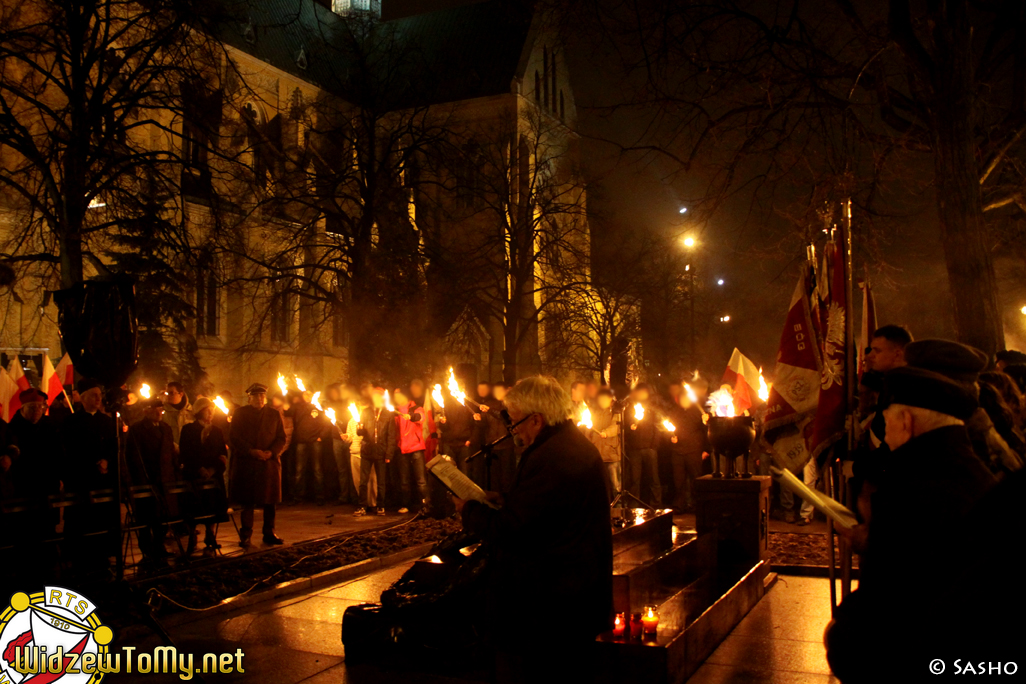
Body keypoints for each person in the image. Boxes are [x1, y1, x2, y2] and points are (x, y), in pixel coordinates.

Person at [827, 366, 996, 681]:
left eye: (887, 421)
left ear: (906, 422)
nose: (886, 435)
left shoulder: (917, 490)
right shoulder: (971, 473)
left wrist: (841, 630)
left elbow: (886, 606)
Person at [457, 376, 611, 682]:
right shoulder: (568, 444)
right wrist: (505, 498)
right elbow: (546, 508)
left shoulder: (553, 456)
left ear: (536, 420)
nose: (513, 430)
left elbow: (516, 530)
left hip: (553, 604)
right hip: (575, 591)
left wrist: (470, 510)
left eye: (514, 422)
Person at [229, 383, 287, 547]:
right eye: (255, 396)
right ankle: (245, 534)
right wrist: (251, 451)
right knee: (248, 501)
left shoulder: (274, 414)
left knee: (270, 501)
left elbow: (281, 437)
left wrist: (271, 452)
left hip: (268, 464)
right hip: (247, 464)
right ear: (249, 398)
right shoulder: (240, 413)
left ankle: (269, 532)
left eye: (261, 396)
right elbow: (234, 437)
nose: (259, 399)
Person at [126, 397, 179, 562]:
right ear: (146, 411)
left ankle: (159, 545)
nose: (159, 412)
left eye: (160, 409)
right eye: (155, 409)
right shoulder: (137, 430)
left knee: (163, 516)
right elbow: (134, 457)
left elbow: (169, 453)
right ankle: (147, 549)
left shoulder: (165, 428)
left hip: (165, 479)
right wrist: (141, 481)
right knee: (146, 516)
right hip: (147, 479)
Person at [180, 397, 229, 553]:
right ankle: (192, 536)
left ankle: (211, 534)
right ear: (200, 411)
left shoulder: (217, 431)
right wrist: (199, 468)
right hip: (194, 475)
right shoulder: (188, 430)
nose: (211, 413)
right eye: (208, 410)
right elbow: (186, 452)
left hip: (213, 476)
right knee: (194, 507)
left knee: (213, 506)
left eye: (212, 410)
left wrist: (213, 469)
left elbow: (222, 453)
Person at [354, 388, 397, 517]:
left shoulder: (388, 414)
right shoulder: (365, 412)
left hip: (381, 452)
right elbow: (360, 433)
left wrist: (389, 453)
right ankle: (362, 506)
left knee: (381, 482)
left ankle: (381, 506)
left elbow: (391, 435)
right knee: (363, 481)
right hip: (367, 451)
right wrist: (360, 430)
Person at [666, 386, 709, 511]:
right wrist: (671, 438)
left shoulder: (698, 412)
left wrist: (706, 449)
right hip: (678, 451)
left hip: (694, 450)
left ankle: (696, 505)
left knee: (695, 478)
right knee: (678, 480)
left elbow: (706, 430)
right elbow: (668, 428)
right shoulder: (674, 411)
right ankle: (680, 505)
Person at [288, 390, 329, 505]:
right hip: (301, 441)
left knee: (317, 470)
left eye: (310, 394)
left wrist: (321, 436)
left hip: (316, 441)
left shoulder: (319, 407)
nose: (307, 396)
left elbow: (327, 423)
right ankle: (298, 497)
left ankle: (320, 497)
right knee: (299, 470)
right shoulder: (298, 407)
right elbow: (287, 412)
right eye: (305, 394)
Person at [625, 384, 662, 506]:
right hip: (635, 449)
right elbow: (625, 428)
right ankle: (634, 506)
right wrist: (631, 428)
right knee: (635, 480)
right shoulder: (630, 408)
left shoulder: (652, 408)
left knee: (654, 479)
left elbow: (657, 427)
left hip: (649, 448)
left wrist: (653, 446)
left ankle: (656, 505)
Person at [393, 389, 428, 514]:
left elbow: (421, 417)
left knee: (421, 480)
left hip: (416, 447)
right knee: (404, 480)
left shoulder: (416, 408)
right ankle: (405, 504)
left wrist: (412, 416)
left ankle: (425, 504)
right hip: (402, 448)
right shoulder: (395, 411)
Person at [324, 384, 356, 504]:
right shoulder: (330, 406)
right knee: (342, 469)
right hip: (336, 439)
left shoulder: (349, 404)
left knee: (351, 468)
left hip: (349, 439)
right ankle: (344, 495)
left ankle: (354, 495)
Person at [587, 388, 621, 500]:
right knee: (601, 486)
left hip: (611, 455)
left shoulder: (615, 413)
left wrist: (606, 433)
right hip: (598, 454)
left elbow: (616, 427)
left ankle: (619, 508)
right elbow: (589, 431)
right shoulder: (596, 413)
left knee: (616, 486)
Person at [162, 381, 193, 445]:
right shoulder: (162, 412)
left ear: (181, 394)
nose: (168, 396)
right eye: (167, 393)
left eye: (171, 393)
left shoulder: (192, 411)